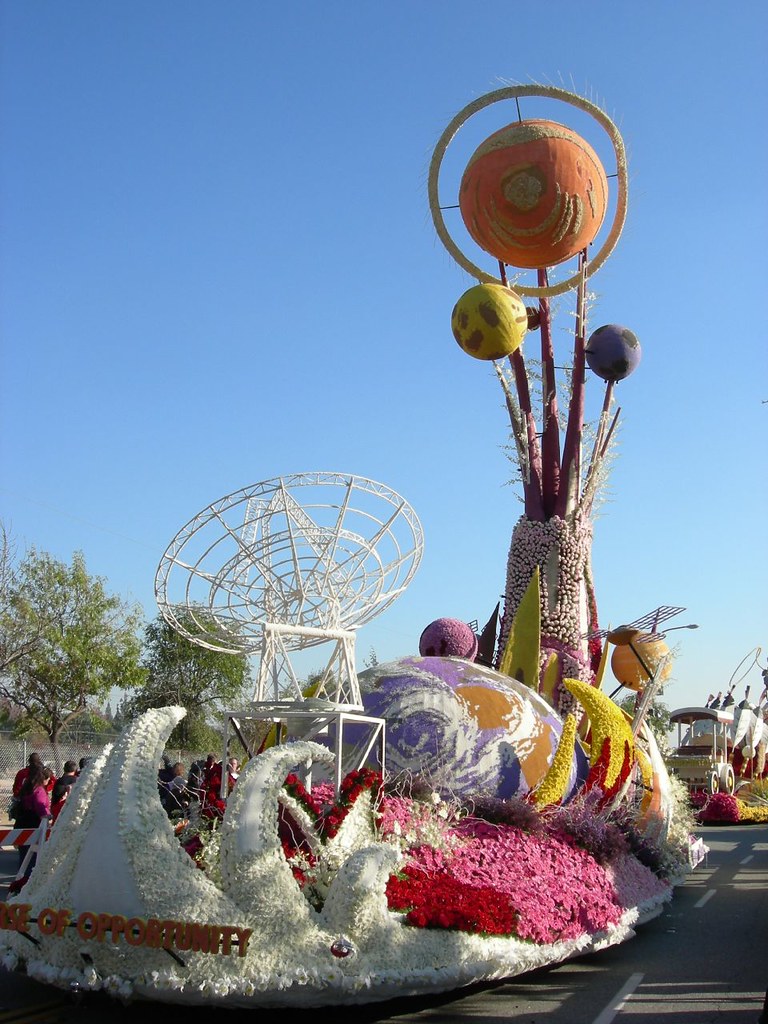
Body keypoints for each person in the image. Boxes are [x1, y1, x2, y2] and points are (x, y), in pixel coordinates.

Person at [15, 763, 51, 871]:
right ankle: (27, 882)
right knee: (32, 859)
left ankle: (20, 881)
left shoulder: (26, 787)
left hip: (21, 824)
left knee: (24, 857)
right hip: (34, 825)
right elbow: (41, 808)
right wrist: (48, 818)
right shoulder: (39, 790)